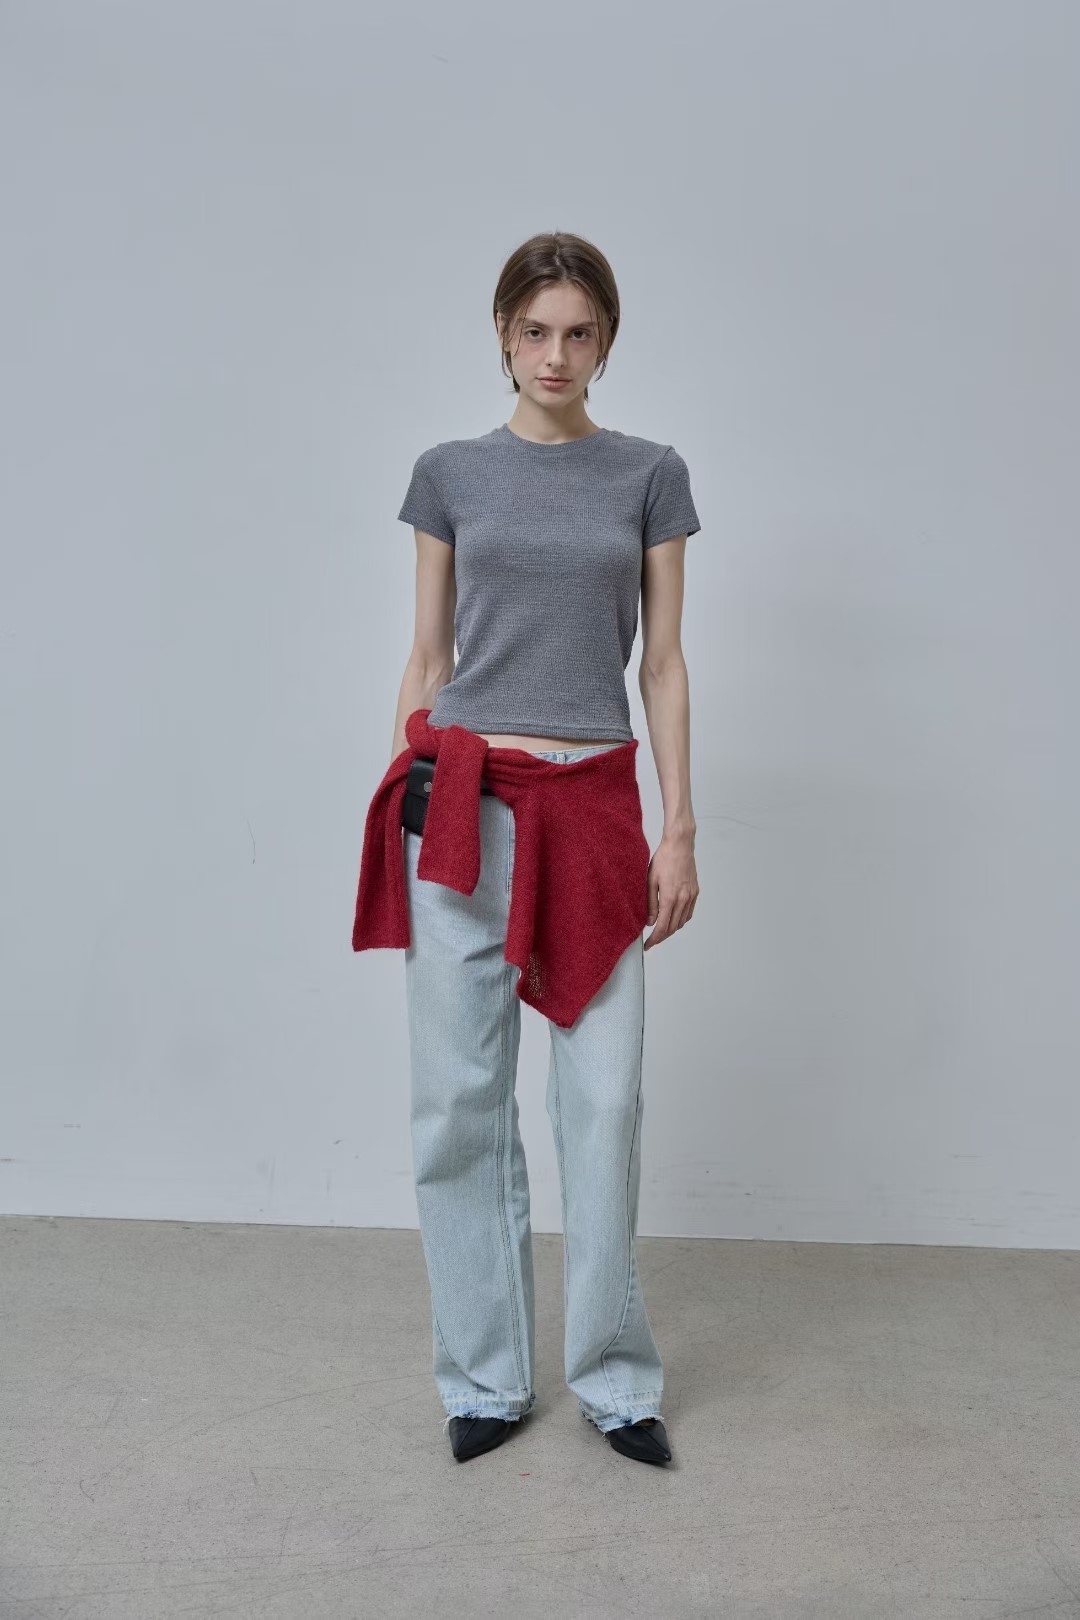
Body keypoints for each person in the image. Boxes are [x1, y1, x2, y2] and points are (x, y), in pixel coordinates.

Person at [359, 230, 701, 1466]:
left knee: (602, 1102)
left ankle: (616, 1380)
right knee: (458, 1102)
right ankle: (486, 1380)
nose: (556, 355)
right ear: (503, 335)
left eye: (579, 333)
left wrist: (678, 823)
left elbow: (662, 664)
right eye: (535, 331)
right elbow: (429, 654)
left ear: (607, 340)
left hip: (594, 807)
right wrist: (401, 779)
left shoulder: (649, 474)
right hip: (460, 803)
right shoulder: (448, 473)